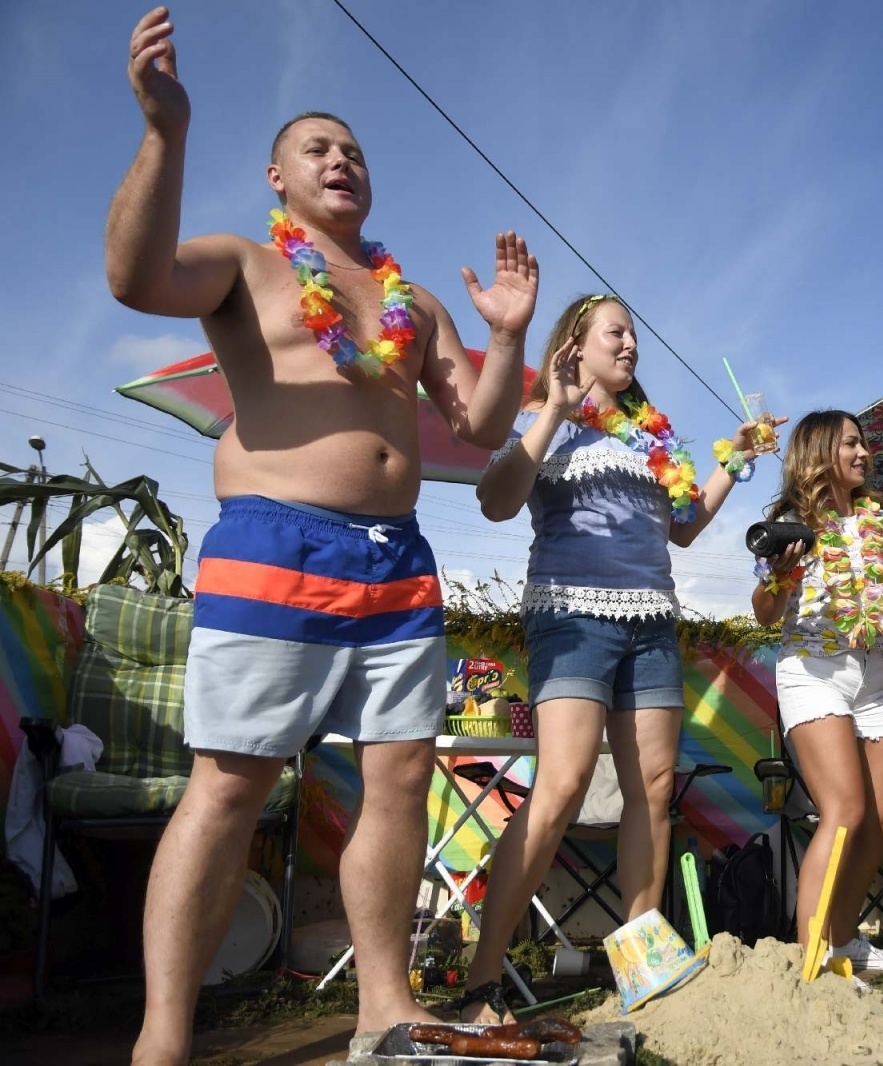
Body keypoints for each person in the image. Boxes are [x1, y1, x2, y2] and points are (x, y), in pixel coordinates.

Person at [107, 10, 537, 1064]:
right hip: (273, 546)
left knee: (399, 780)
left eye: (354, 151)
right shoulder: (246, 267)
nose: (342, 160)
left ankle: (384, 1010)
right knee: (231, 783)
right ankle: (163, 1037)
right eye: (319, 148)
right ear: (277, 177)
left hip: (398, 561)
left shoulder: (416, 301)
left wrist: (511, 332)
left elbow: (478, 428)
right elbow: (134, 278)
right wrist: (164, 133)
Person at [462, 294, 768, 1020]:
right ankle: (481, 982)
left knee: (653, 790)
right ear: (576, 342)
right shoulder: (548, 419)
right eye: (616, 331)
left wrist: (737, 458)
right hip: (569, 617)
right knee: (563, 783)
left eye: (633, 332)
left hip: (652, 623)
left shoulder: (653, 440)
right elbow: (495, 501)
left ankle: (641, 967)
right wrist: (552, 412)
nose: (631, 343)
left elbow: (685, 529)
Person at [750, 410, 883, 970]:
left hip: (874, 677)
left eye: (863, 443)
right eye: (850, 443)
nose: (862, 452)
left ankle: (845, 937)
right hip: (813, 669)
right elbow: (763, 615)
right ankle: (813, 958)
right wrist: (782, 574)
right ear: (821, 450)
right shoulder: (792, 523)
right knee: (845, 810)